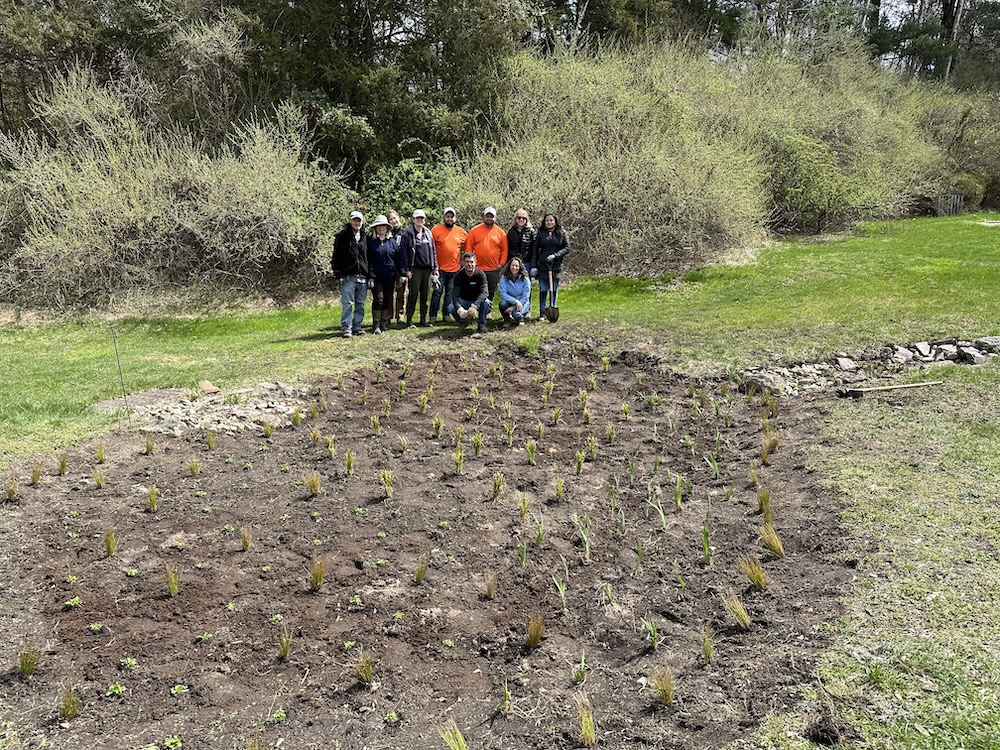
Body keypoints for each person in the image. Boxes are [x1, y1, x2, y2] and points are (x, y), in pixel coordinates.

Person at [464, 206, 508, 327]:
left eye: (491, 216)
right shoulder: (474, 230)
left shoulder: (500, 233)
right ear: (483, 216)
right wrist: (470, 264)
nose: (489, 218)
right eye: (487, 216)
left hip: (493, 268)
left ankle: (487, 312)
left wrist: (501, 263)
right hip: (477, 268)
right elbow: (468, 248)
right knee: (475, 290)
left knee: (491, 291)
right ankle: (474, 311)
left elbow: (504, 250)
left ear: (495, 217)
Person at [331, 210, 372, 338]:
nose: (357, 223)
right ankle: (346, 328)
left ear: (362, 222)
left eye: (359, 220)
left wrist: (370, 275)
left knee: (360, 303)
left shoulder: (366, 237)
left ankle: (357, 326)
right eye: (354, 220)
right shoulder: (342, 236)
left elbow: (369, 258)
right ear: (350, 221)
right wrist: (338, 273)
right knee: (348, 304)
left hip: (363, 276)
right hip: (348, 276)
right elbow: (336, 256)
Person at [399, 209, 439, 327]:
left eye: (422, 218)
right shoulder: (407, 234)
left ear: (424, 220)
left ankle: (423, 319)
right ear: (413, 219)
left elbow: (433, 251)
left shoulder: (428, 233)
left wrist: (435, 267)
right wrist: (407, 270)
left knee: (425, 295)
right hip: (414, 269)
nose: (420, 220)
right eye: (417, 218)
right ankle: (409, 320)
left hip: (427, 269)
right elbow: (404, 253)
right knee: (413, 294)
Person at [430, 207, 467, 325]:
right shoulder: (435, 230)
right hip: (439, 269)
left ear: (455, 218)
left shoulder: (461, 232)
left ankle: (446, 314)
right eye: (447, 216)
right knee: (437, 292)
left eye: (452, 216)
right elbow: (430, 247)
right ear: (444, 218)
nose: (449, 219)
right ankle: (433, 315)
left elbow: (470, 244)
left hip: (455, 269)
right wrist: (433, 265)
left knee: (450, 294)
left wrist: (463, 261)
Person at [531, 212, 571, 320]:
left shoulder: (561, 232)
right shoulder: (540, 233)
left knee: (553, 289)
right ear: (544, 222)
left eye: (551, 220)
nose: (549, 222)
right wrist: (534, 266)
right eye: (547, 220)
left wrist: (555, 255)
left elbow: (567, 248)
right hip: (543, 266)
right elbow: (535, 250)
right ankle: (543, 312)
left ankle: (552, 308)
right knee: (543, 289)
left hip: (556, 266)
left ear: (555, 221)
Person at [366, 214, 401, 334]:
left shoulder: (392, 242)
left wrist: (401, 274)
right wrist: (370, 276)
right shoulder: (370, 242)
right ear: (375, 228)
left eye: (383, 226)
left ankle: (384, 322)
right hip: (376, 276)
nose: (381, 229)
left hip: (390, 276)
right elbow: (368, 260)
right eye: (379, 226)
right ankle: (376, 324)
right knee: (379, 299)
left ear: (387, 228)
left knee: (387, 299)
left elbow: (398, 259)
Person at [449, 252, 490, 333]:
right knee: (450, 307)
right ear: (463, 263)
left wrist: (475, 306)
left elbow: (485, 293)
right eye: (467, 262)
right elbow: (454, 295)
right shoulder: (459, 276)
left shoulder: (481, 275)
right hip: (464, 300)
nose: (469, 264)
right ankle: (463, 321)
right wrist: (459, 308)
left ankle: (481, 324)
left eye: (472, 262)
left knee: (486, 302)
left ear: (475, 263)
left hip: (477, 300)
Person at [497, 256, 531, 327]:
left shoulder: (525, 279)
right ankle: (507, 320)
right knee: (502, 304)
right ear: (509, 266)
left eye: (516, 266)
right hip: (510, 301)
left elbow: (526, 296)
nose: (514, 268)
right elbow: (503, 294)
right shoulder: (504, 278)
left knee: (516, 313)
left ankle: (521, 318)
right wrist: (515, 301)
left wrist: (514, 307)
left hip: (522, 302)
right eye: (512, 265)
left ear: (520, 267)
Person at [387, 209, 407, 325]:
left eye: (395, 218)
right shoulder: (387, 234)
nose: (393, 221)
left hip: (402, 267)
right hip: (390, 267)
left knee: (401, 293)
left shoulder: (405, 233)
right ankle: (388, 316)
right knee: (389, 293)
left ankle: (400, 316)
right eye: (391, 219)